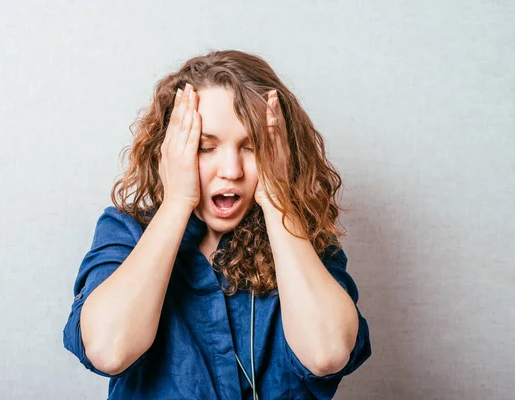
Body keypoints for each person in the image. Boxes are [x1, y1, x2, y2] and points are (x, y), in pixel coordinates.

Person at [63, 49, 371, 399]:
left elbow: (327, 353)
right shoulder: (126, 231)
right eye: (205, 147)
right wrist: (177, 202)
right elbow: (108, 349)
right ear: (168, 152)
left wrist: (278, 200)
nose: (232, 170)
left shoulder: (304, 239)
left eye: (252, 147)